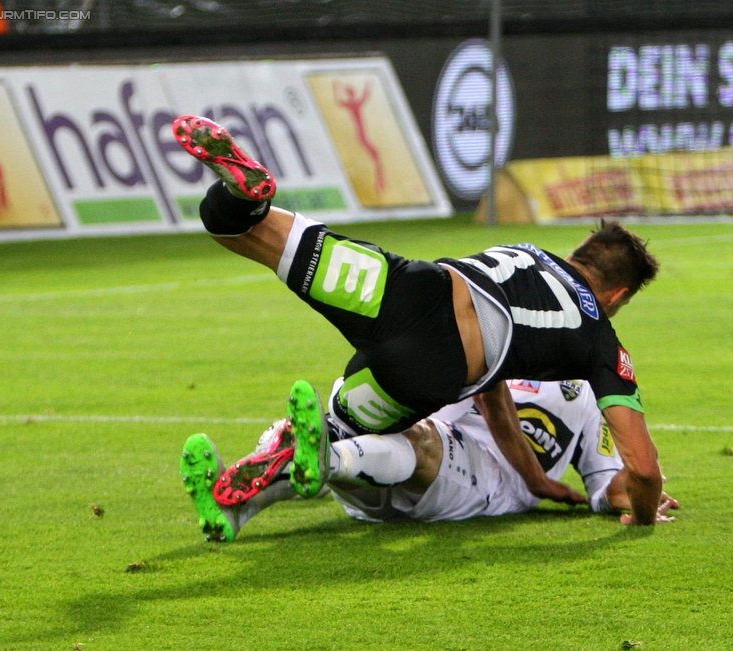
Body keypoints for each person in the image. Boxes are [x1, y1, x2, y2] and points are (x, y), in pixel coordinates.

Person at [173, 115, 664, 526]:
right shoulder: (601, 340)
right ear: (618, 294)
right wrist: (642, 513)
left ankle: (246, 199)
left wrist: (534, 479)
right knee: (347, 434)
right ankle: (317, 459)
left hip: (410, 285)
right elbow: (642, 468)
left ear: (577, 255)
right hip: (437, 360)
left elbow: (495, 389)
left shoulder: (528, 253)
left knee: (242, 232)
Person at [179, 379, 680, 541]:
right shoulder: (497, 341)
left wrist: (639, 496)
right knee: (367, 432)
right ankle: (234, 509)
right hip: (402, 468)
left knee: (412, 441)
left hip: (486, 485)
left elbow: (608, 478)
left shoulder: (589, 391)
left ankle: (318, 455)